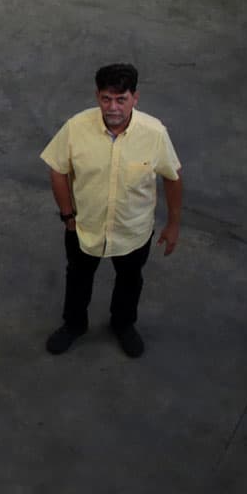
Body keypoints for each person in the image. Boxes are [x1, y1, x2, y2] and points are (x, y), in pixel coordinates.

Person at [39, 63, 183, 357]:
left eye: (121, 99)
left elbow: (172, 176)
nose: (113, 107)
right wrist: (67, 214)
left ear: (135, 98)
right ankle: (74, 325)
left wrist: (173, 225)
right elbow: (57, 169)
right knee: (78, 278)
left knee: (130, 280)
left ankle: (123, 325)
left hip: (133, 230)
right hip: (83, 227)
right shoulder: (76, 128)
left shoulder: (154, 134)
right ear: (97, 96)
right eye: (106, 98)